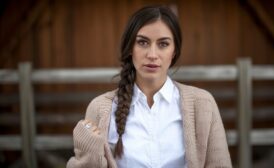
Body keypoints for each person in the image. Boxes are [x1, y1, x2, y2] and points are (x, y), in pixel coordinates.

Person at [67, 5, 232, 168]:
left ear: (174, 51)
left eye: (163, 44)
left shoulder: (203, 104)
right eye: (143, 42)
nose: (152, 55)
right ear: (130, 47)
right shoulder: (100, 109)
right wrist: (89, 154)